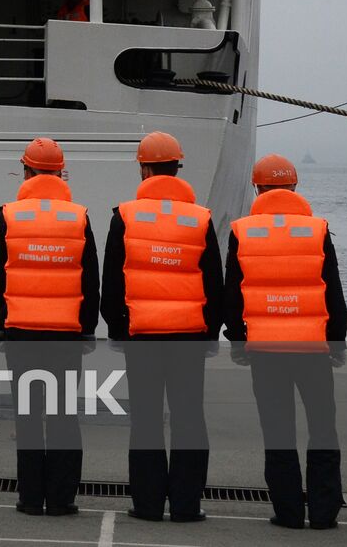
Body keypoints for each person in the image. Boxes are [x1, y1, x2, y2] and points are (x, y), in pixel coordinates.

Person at [101, 131, 222, 523]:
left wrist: (118, 329)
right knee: (190, 419)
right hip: (189, 339)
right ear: (177, 168)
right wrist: (209, 334)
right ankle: (187, 505)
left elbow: (112, 280)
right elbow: (214, 283)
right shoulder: (200, 218)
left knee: (146, 421)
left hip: (142, 338)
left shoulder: (125, 216)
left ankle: (148, 504)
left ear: (144, 169)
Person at [224, 154, 347, 530]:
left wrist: (238, 339)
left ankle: (288, 512)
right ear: (294, 186)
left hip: (266, 351)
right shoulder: (317, 229)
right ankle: (324, 512)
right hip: (313, 349)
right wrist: (336, 339)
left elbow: (233, 293)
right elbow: (332, 288)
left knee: (278, 430)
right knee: (323, 427)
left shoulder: (242, 231)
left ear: (257, 188)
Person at [0, 138, 100, 517]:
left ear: (26, 171)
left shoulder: (9, 216)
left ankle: (31, 498)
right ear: (61, 173)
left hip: (21, 332)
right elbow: (90, 279)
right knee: (64, 416)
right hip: (66, 334)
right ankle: (62, 499)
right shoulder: (78, 217)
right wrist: (87, 328)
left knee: (29, 417)